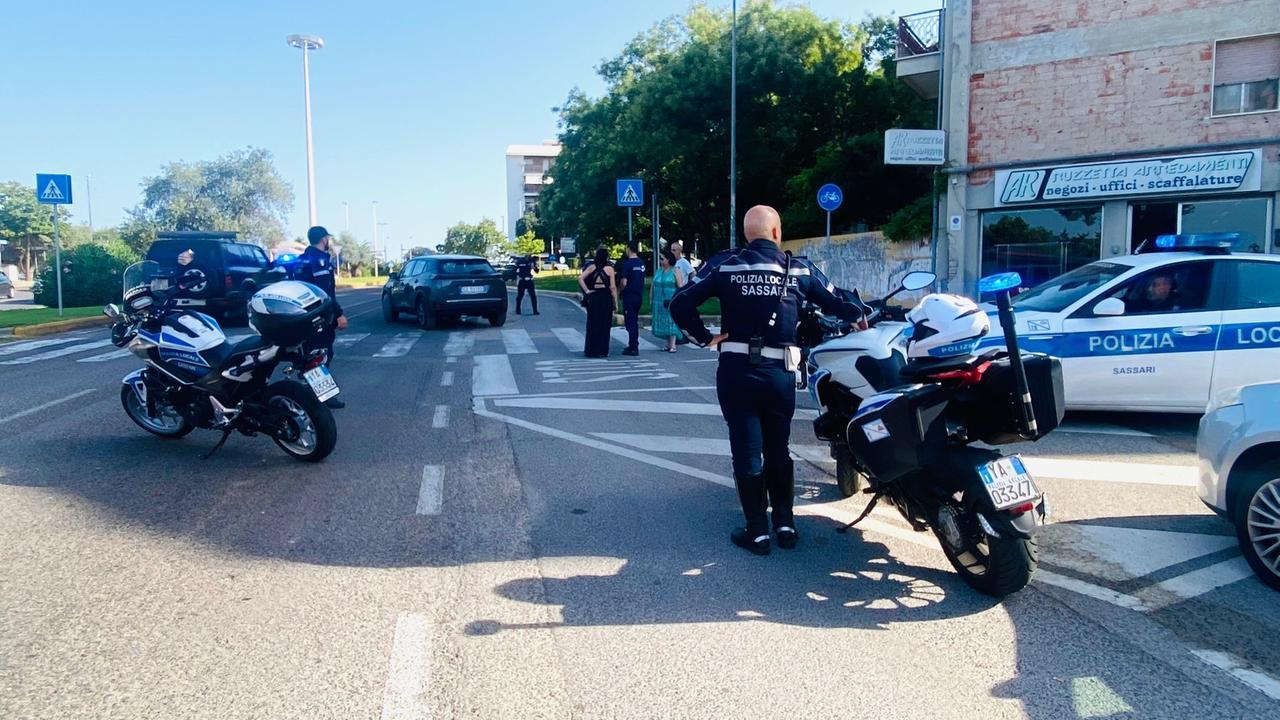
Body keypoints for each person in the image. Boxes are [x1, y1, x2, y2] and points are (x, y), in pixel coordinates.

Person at [670, 205, 863, 555]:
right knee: (778, 447)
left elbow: (680, 303)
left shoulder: (724, 264)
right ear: (777, 233)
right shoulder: (798, 267)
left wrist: (703, 337)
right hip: (779, 375)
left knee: (746, 450)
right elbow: (838, 303)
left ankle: (757, 532)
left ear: (746, 235)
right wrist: (859, 315)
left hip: (736, 372)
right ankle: (786, 524)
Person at [298, 226, 349, 409]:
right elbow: (324, 292)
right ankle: (323, 397)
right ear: (324, 239)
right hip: (317, 315)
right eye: (328, 238)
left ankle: (309, 391)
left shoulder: (302, 259)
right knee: (322, 354)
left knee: (309, 354)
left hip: (301, 315)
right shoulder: (319, 261)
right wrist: (339, 314)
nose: (329, 242)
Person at [578, 247, 617, 358]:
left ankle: (591, 350)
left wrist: (587, 291)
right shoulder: (610, 269)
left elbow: (580, 278)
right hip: (605, 297)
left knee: (592, 324)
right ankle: (603, 350)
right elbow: (613, 287)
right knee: (605, 325)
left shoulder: (591, 267)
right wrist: (615, 302)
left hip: (594, 297)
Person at [650, 248, 682, 353]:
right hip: (658, 300)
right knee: (662, 320)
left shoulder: (675, 270)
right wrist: (651, 297)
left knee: (671, 320)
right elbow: (653, 285)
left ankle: (673, 345)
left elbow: (680, 286)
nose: (660, 260)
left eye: (662, 258)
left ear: (668, 260)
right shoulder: (659, 270)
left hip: (671, 299)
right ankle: (668, 344)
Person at [617, 244, 646, 356]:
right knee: (634, 320)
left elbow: (624, 282)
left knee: (630, 322)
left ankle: (633, 346)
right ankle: (634, 344)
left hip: (629, 296)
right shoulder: (641, 263)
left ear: (629, 249)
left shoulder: (628, 264)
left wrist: (620, 291)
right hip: (638, 295)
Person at [670, 240, 695, 345]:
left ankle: (685, 337)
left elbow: (693, 273)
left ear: (679, 251)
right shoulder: (672, 262)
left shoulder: (683, 262)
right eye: (671, 249)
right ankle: (678, 335)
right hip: (673, 291)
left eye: (674, 250)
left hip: (681, 291)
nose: (672, 252)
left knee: (682, 315)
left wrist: (690, 286)